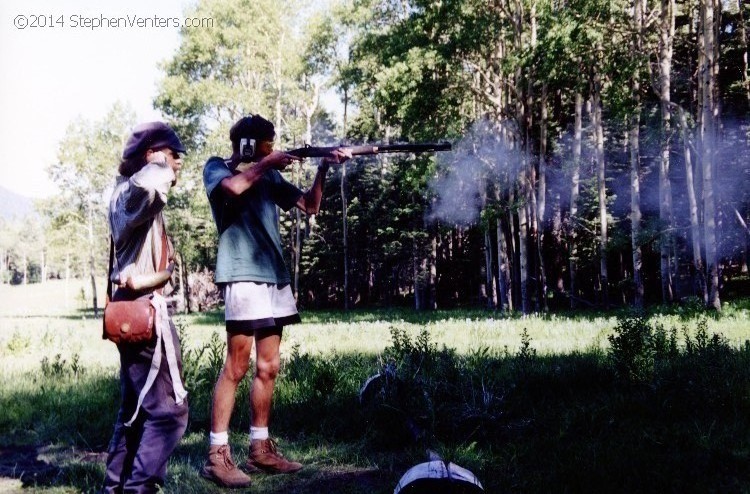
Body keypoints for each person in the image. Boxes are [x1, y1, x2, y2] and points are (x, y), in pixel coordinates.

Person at [200, 115, 351, 488]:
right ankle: (215, 456)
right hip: (243, 275)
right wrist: (267, 162)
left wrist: (323, 168)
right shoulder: (218, 168)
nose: (272, 147)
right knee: (235, 367)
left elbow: (310, 206)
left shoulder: (268, 175)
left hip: (273, 276)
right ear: (249, 144)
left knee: (268, 367)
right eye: (267, 142)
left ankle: (260, 449)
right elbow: (233, 189)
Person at [103, 122, 190, 493]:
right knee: (170, 413)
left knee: (135, 413)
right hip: (143, 312)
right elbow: (154, 182)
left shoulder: (124, 194)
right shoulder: (133, 191)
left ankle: (115, 488)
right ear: (151, 155)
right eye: (173, 156)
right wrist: (159, 163)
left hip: (132, 310)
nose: (178, 166)